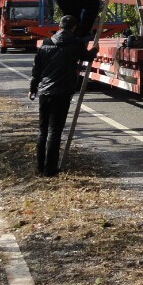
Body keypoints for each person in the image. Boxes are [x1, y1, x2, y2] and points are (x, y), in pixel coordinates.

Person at [29, 15, 98, 176]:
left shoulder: (45, 44)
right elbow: (87, 57)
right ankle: (50, 169)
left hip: (45, 92)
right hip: (62, 92)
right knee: (55, 130)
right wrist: (95, 49)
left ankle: (40, 167)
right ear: (73, 28)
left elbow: (36, 70)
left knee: (43, 130)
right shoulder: (76, 44)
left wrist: (33, 88)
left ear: (59, 26)